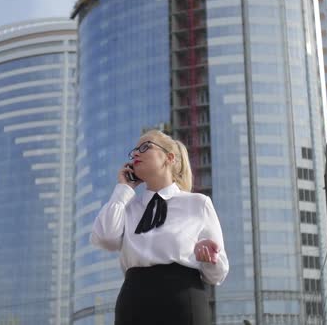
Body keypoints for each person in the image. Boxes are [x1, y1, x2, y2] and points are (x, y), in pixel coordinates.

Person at [90, 129, 229, 325]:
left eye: (145, 147)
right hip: (133, 304)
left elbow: (218, 275)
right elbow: (105, 238)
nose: (136, 153)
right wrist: (123, 189)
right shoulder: (127, 207)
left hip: (183, 302)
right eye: (134, 151)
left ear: (169, 158)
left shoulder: (198, 204)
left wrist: (208, 258)